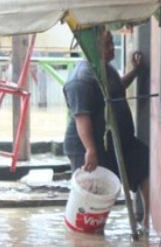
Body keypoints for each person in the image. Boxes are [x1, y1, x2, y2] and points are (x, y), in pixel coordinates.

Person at [63, 30, 150, 229]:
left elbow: (117, 88)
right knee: (92, 195)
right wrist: (90, 150)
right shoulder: (81, 79)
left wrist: (136, 72)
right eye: (108, 44)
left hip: (116, 141)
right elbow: (81, 116)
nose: (112, 48)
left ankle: (146, 223)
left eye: (112, 43)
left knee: (144, 161)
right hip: (88, 146)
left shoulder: (104, 69)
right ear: (93, 49)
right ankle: (88, 242)